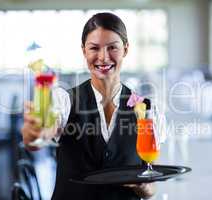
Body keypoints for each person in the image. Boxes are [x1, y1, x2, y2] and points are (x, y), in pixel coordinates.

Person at [22, 12, 155, 200]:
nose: (103, 57)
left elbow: (150, 186)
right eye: (94, 48)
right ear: (84, 50)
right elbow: (42, 135)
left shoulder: (145, 108)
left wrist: (145, 187)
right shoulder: (64, 101)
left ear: (125, 49)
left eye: (112, 48)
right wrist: (36, 134)